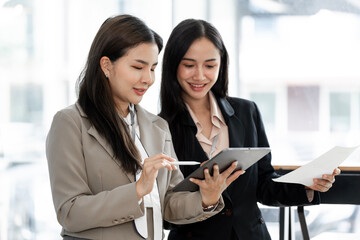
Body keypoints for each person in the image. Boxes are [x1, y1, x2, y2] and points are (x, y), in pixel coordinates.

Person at [46, 15, 244, 240]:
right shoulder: (70, 123)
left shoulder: (157, 126)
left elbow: (168, 204)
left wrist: (206, 199)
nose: (148, 79)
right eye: (138, 67)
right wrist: (137, 190)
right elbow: (69, 211)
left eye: (152, 68)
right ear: (106, 66)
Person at [159, 18, 340, 240]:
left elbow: (264, 184)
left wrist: (308, 185)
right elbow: (164, 213)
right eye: (189, 65)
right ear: (173, 65)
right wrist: (205, 198)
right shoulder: (159, 127)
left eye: (210, 65)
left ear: (221, 64)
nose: (200, 75)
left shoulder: (247, 112)